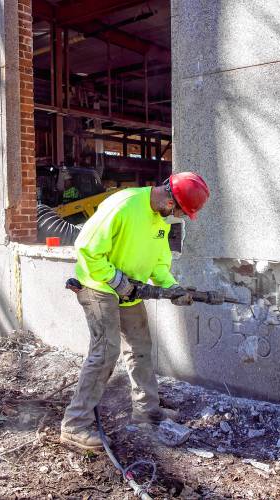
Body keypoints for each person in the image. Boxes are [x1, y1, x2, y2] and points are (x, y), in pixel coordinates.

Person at [60, 172, 210, 451]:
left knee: (140, 347)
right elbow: (86, 248)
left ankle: (146, 411)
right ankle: (75, 424)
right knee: (106, 351)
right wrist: (117, 281)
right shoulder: (124, 205)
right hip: (98, 285)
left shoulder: (159, 221)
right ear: (170, 201)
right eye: (179, 211)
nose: (176, 216)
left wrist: (172, 288)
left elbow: (158, 264)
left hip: (129, 291)